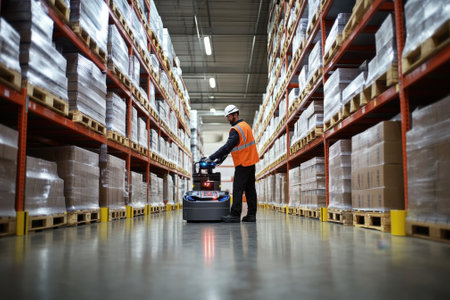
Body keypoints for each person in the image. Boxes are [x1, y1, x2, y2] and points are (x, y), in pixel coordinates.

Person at [208, 105, 259, 223]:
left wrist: (211, 157)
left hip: (243, 162)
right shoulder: (246, 126)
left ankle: (235, 215)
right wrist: (219, 159)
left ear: (235, 114)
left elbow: (227, 147)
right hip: (251, 161)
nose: (228, 119)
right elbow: (232, 148)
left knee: (237, 189)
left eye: (229, 116)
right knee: (250, 189)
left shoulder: (236, 129)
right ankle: (251, 215)